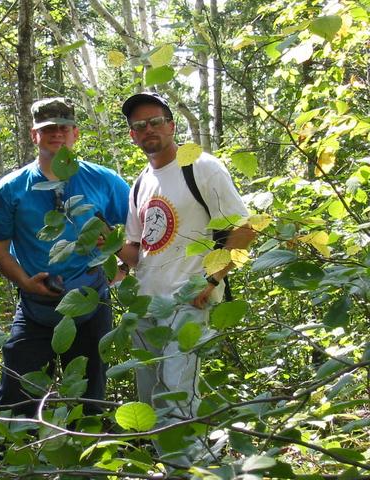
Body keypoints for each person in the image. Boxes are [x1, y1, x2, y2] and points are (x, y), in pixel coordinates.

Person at [119, 91, 256, 461]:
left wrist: (212, 281)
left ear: (171, 125)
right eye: (139, 126)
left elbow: (245, 229)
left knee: (175, 396)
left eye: (155, 122)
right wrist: (106, 244)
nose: (148, 130)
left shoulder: (202, 167)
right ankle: (186, 460)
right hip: (147, 305)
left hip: (188, 301)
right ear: (132, 135)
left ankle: (187, 467)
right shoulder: (140, 182)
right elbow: (138, 250)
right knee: (150, 401)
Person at [0, 98, 130, 417]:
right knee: (17, 396)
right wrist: (26, 281)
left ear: (76, 134)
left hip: (91, 305)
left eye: (63, 128)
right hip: (36, 309)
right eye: (47, 128)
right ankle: (11, 458)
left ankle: (87, 464)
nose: (56, 134)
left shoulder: (104, 180)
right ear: (33, 135)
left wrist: (121, 267)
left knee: (91, 398)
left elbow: (139, 226)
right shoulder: (11, 188)